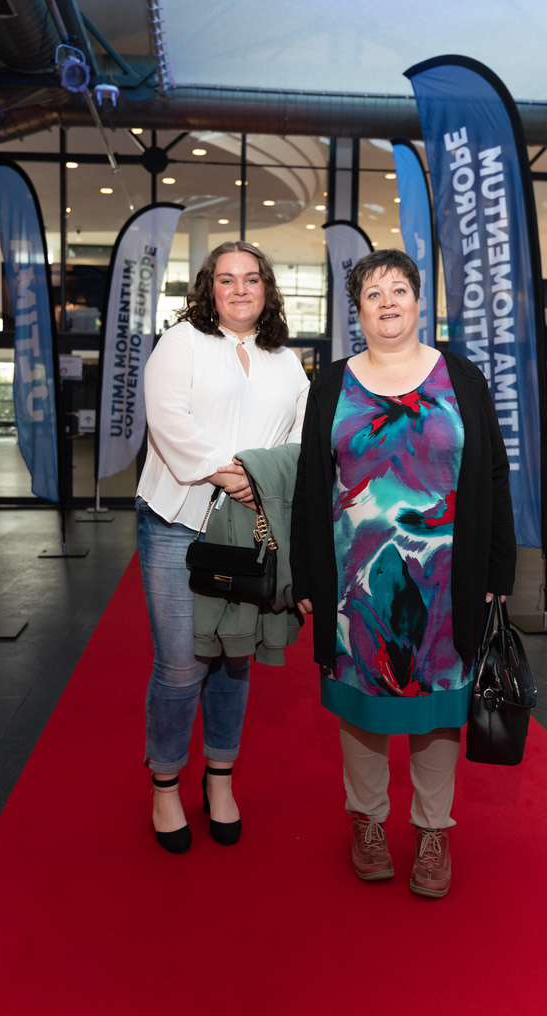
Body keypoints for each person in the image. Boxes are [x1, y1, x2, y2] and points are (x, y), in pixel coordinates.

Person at [291, 248, 516, 898]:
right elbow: (311, 487)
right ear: (358, 310)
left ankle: (433, 830)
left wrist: (498, 566)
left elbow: (494, 475)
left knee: (438, 707)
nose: (387, 303)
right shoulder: (331, 385)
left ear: (419, 301)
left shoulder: (461, 378)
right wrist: (306, 578)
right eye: (373, 293)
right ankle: (366, 822)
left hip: (448, 581)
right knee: (362, 706)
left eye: (398, 290)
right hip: (354, 585)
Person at [137, 241, 309, 854]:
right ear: (210, 288)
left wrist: (260, 481)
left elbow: (301, 439)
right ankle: (165, 785)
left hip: (251, 527)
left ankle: (220, 779)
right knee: (181, 665)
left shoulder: (287, 362)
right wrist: (231, 473)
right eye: (227, 279)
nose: (240, 289)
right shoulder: (181, 342)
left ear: (267, 289)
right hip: (178, 521)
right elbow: (167, 419)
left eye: (252, 279)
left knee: (236, 656)